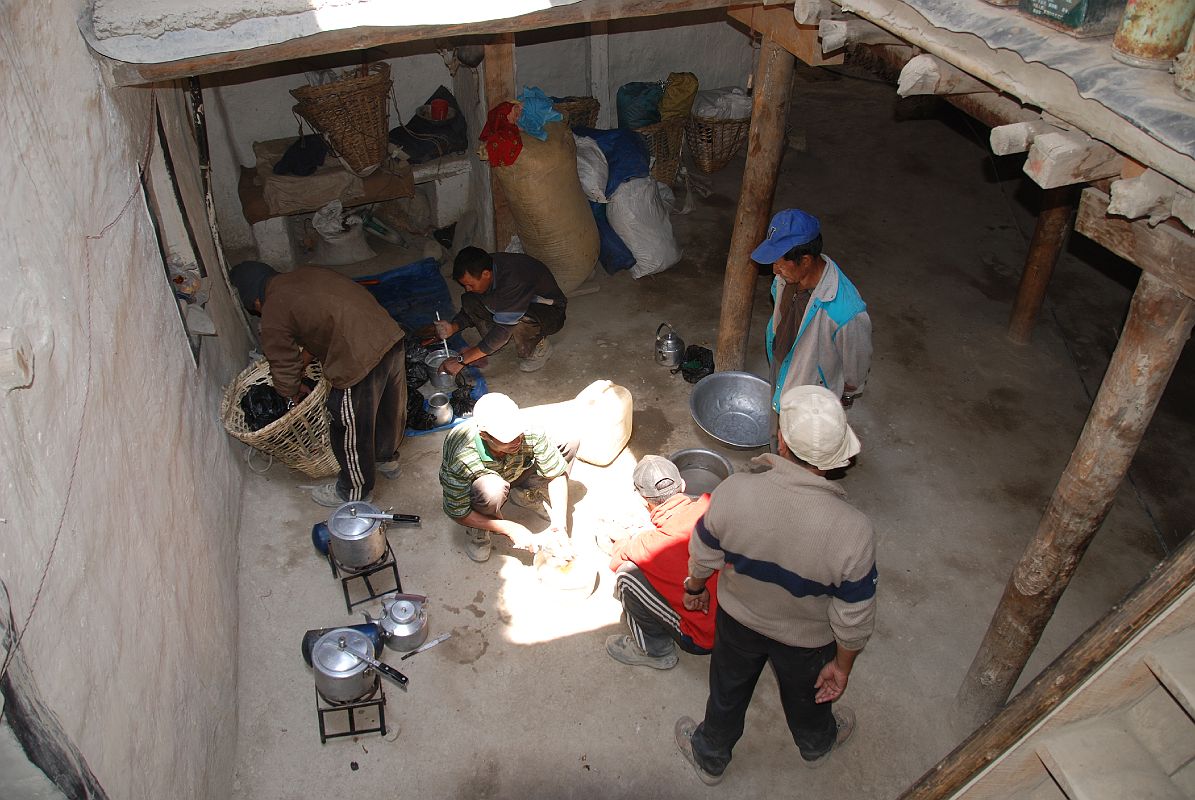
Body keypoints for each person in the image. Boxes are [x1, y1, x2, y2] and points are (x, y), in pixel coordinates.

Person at [674, 384, 878, 785]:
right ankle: (816, 743)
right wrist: (841, 665)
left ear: (781, 439)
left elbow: (704, 554)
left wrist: (695, 589)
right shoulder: (855, 531)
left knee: (728, 689)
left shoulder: (732, 492)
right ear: (837, 457)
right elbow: (854, 617)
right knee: (810, 695)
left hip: (737, 622)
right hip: (806, 640)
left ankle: (711, 755)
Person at [229, 261, 407, 507]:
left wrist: (290, 395)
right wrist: (301, 368)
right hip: (389, 336)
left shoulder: (272, 309)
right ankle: (386, 459)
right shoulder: (305, 275)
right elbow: (318, 327)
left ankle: (354, 491)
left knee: (348, 425)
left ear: (255, 301)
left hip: (358, 358)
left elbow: (281, 361)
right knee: (388, 408)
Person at [751, 209, 872, 420]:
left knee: (798, 444)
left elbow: (855, 370)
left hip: (810, 394)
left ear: (805, 261)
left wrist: (839, 400)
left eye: (779, 263)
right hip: (782, 365)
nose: (774, 270)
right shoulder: (785, 278)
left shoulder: (846, 313)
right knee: (777, 429)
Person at [605, 455, 719, 670]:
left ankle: (655, 651)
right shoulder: (715, 505)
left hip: (706, 637)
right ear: (683, 484)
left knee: (626, 576)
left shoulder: (649, 545)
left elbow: (618, 558)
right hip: (743, 621)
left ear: (642, 500)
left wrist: (621, 538)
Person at [438, 392, 577, 562]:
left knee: (568, 443)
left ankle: (525, 493)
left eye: (518, 434)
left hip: (516, 471)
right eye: (507, 439)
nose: (517, 441)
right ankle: (481, 527)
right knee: (492, 490)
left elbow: (556, 474)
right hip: (486, 485)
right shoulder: (462, 455)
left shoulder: (528, 430)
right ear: (484, 436)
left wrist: (560, 525)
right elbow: (456, 510)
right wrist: (509, 528)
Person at [431, 247, 566, 374]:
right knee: (470, 298)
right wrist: (453, 327)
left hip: (549, 312)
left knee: (517, 322)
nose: (467, 288)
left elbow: (502, 331)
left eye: (470, 284)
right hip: (516, 301)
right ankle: (490, 345)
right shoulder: (484, 268)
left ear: (486, 274)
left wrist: (461, 360)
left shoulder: (514, 279)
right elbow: (471, 308)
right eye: (464, 285)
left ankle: (540, 348)